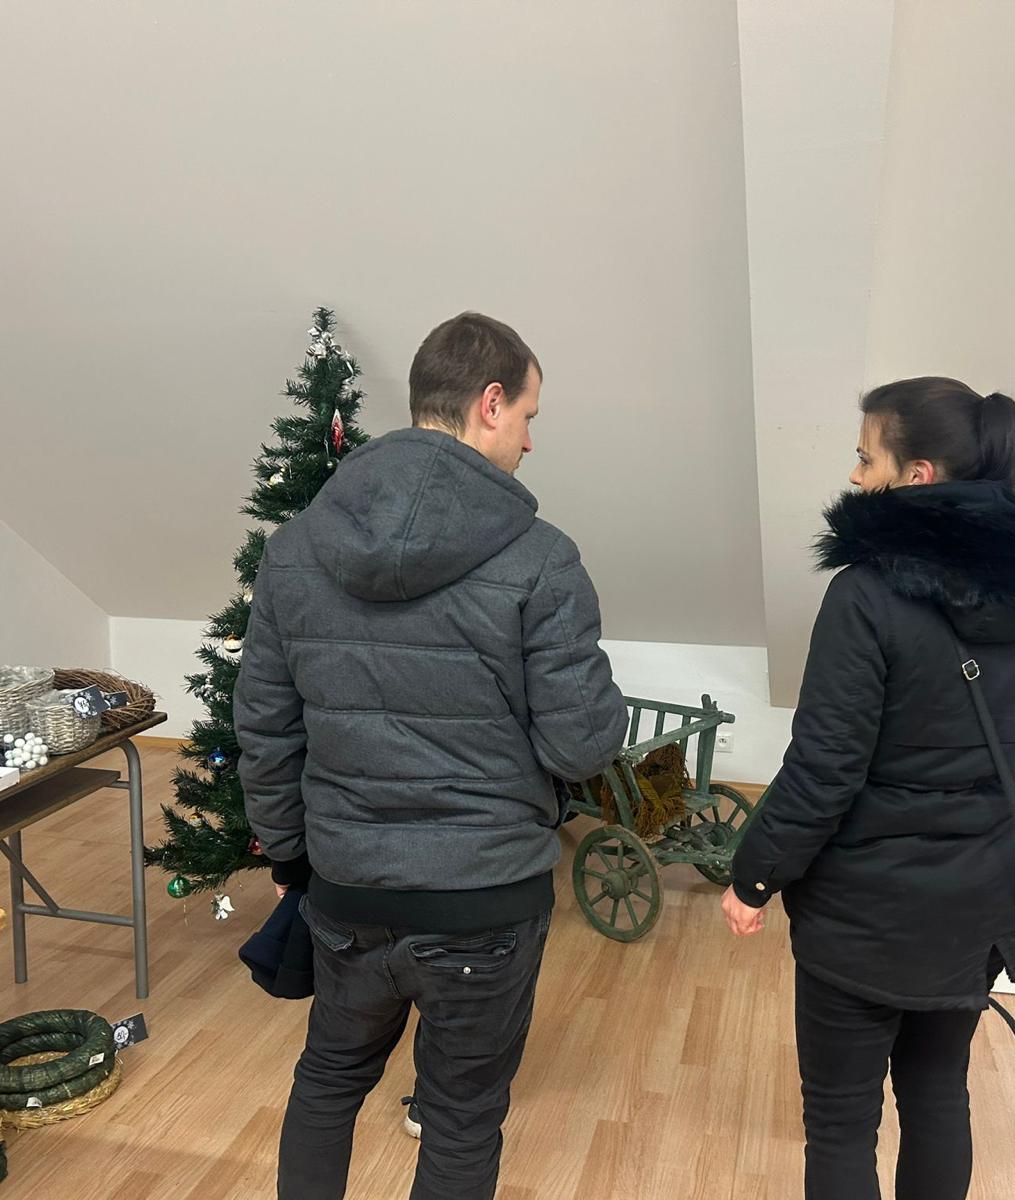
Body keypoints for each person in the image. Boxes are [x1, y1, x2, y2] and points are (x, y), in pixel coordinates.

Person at [236, 312, 628, 1200]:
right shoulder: (543, 560)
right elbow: (581, 741)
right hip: (485, 899)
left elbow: (265, 726)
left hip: (348, 887)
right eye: (528, 416)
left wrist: (292, 858)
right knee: (461, 1117)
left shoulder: (294, 550)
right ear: (490, 404)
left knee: (328, 1081)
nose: (530, 440)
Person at [722, 378, 1015, 1200]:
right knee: (939, 1097)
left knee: (840, 1121)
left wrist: (754, 877)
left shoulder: (864, 594)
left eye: (866, 458)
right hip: (977, 905)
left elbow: (823, 771)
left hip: (862, 915)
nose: (854, 474)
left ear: (917, 475)